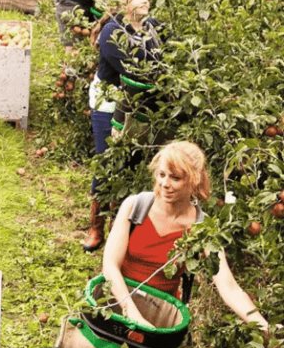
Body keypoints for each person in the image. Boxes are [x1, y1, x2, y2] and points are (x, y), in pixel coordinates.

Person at [102, 141, 269, 332]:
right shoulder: (136, 206)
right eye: (162, 174)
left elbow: (229, 287)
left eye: (175, 178)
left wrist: (263, 326)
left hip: (159, 313)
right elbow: (110, 266)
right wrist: (130, 312)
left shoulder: (201, 228)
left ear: (194, 180)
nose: (165, 184)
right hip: (118, 299)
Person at [83, 0, 163, 251]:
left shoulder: (153, 29)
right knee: (107, 161)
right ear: (124, 3)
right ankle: (95, 225)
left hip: (139, 104)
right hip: (110, 102)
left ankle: (120, 225)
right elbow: (136, 71)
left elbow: (163, 62)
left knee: (131, 162)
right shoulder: (112, 32)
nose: (144, 0)